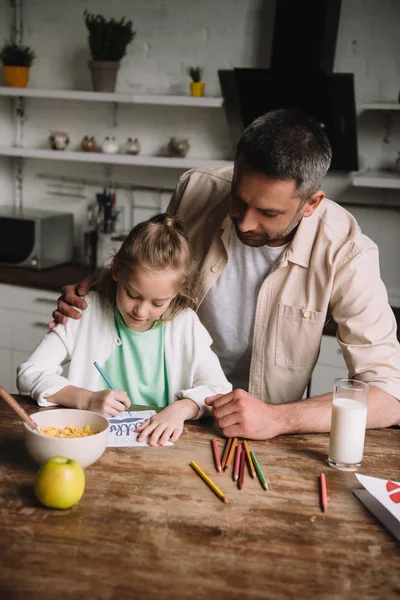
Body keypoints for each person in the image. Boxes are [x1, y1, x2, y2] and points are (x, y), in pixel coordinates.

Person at [51, 109, 400, 440]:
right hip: (173, 415)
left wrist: (278, 418)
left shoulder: (348, 253)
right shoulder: (196, 189)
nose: (245, 223)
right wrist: (98, 289)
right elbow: (156, 263)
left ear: (311, 203)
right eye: (238, 199)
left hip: (267, 433)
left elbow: (388, 394)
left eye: (268, 212)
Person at [18, 214, 231, 446]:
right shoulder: (86, 312)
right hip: (91, 445)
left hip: (160, 449)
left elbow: (218, 389)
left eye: (158, 303)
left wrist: (181, 409)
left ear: (176, 293)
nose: (140, 311)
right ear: (117, 270)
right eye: (132, 294)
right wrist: (87, 399)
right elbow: (29, 374)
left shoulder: (185, 324)